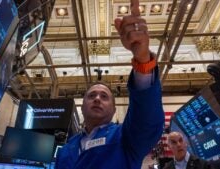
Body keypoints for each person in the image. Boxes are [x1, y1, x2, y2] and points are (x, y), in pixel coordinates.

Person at [55, 0, 164, 168]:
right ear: (82, 106)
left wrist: (143, 59)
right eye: (91, 96)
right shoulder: (66, 149)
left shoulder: (125, 137)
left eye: (104, 96)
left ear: (114, 110)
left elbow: (146, 118)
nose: (97, 99)